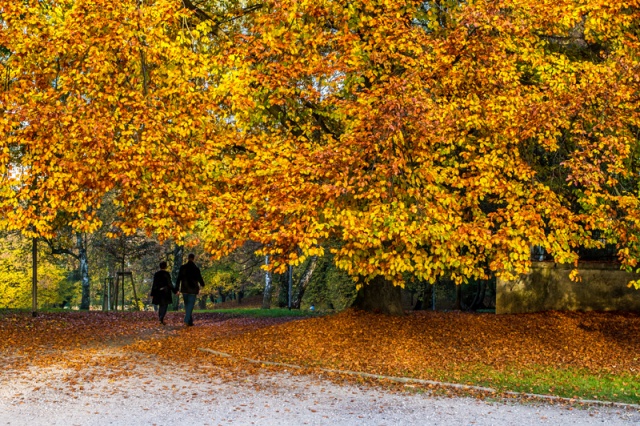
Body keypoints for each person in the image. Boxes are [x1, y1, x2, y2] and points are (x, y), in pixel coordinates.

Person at [175, 253, 205, 326]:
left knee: (187, 305)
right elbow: (199, 278)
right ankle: (186, 319)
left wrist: (177, 288)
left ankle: (190, 322)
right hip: (193, 289)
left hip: (185, 289)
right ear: (193, 258)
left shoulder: (183, 267)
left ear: (188, 258)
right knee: (190, 306)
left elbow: (179, 278)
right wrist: (202, 284)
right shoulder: (196, 268)